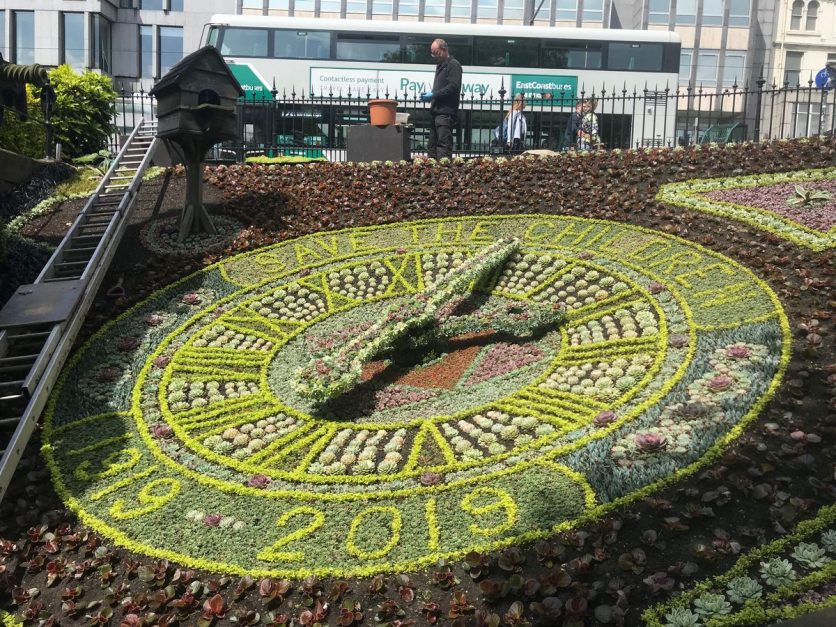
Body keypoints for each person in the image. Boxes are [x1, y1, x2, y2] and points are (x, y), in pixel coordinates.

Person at [420, 39, 462, 160]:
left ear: (444, 50)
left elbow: (453, 87)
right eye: (432, 53)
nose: (434, 56)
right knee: (432, 145)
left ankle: (443, 171)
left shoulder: (453, 65)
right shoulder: (440, 66)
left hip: (446, 112)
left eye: (436, 53)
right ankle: (432, 169)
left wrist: (434, 94)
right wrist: (432, 96)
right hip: (436, 111)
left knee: (443, 144)